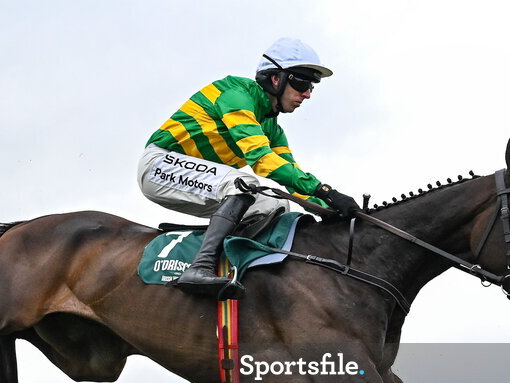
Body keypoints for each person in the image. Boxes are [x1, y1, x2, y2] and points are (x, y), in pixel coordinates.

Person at [139, 37, 361, 299]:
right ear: (275, 79)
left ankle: (232, 266)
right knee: (243, 183)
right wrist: (326, 191)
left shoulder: (273, 129)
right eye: (301, 82)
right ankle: (200, 267)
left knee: (274, 205)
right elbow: (262, 160)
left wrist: (330, 211)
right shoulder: (236, 94)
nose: (307, 93)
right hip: (160, 166)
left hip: (201, 180)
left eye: (312, 86)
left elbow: (291, 179)